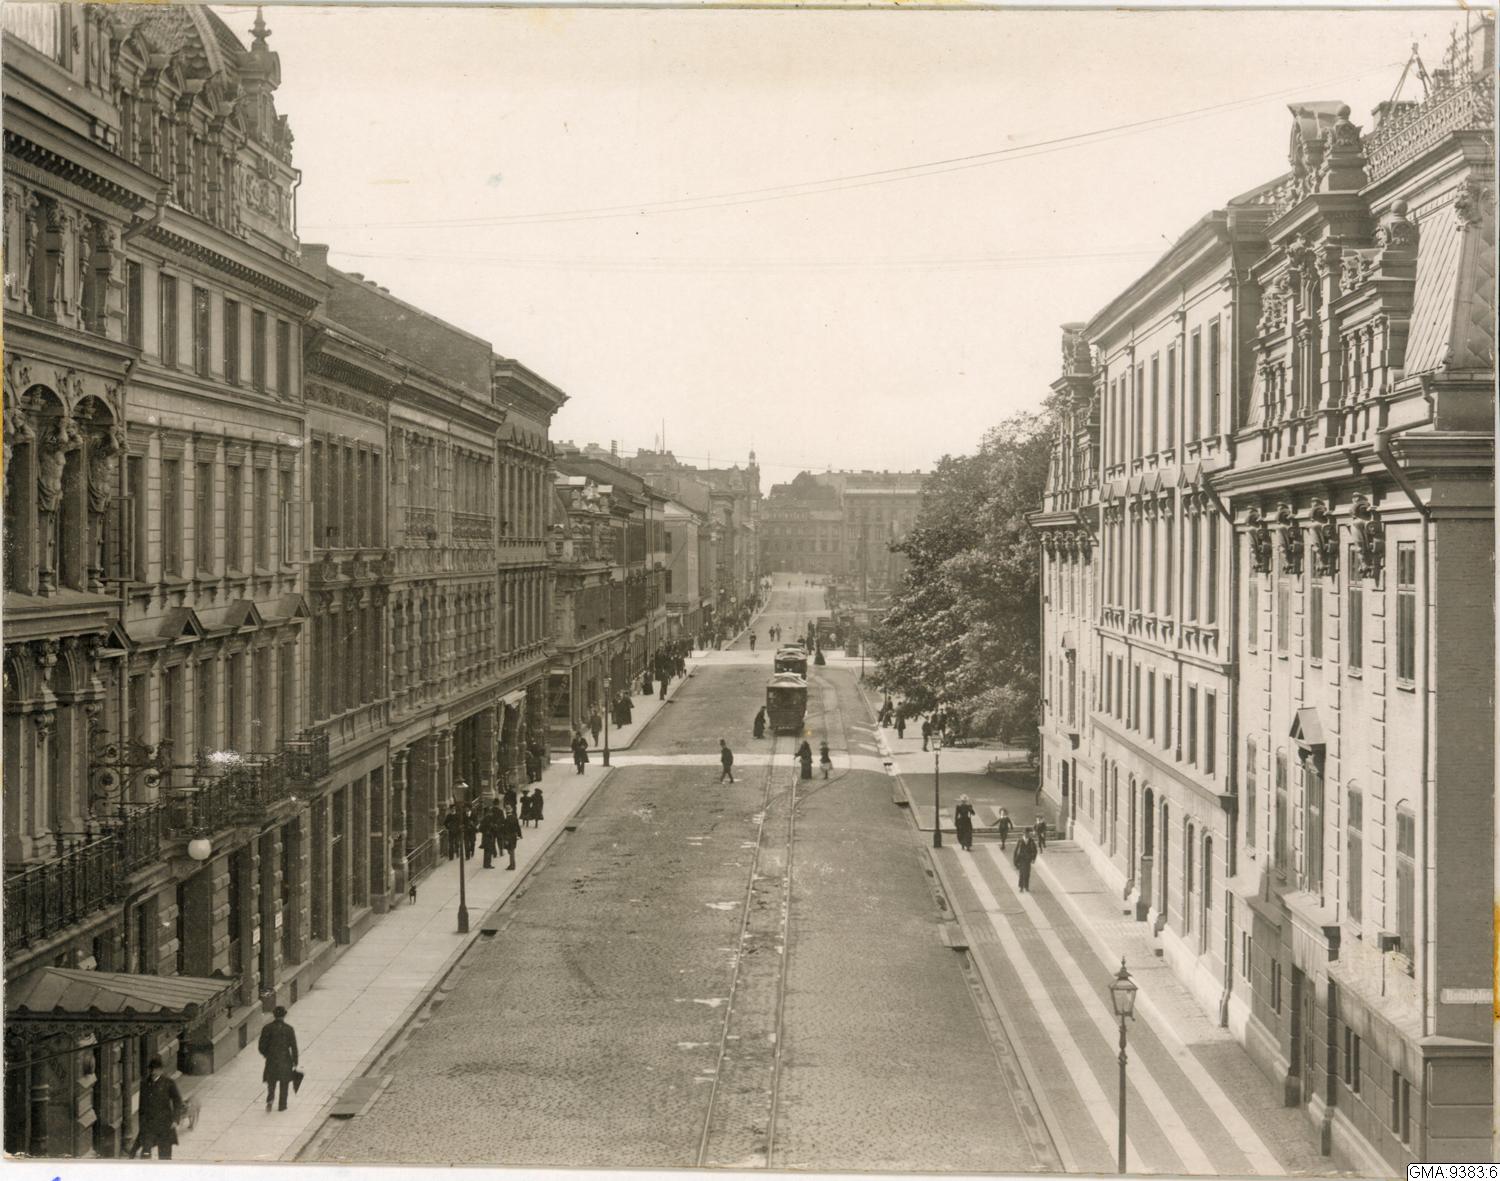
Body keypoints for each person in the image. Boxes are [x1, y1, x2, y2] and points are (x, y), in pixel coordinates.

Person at [133, 1056, 183, 1158]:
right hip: (149, 1125)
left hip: (165, 1124)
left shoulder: (168, 1083)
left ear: (161, 1070)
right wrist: (142, 1125)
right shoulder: (144, 1084)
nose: (153, 1072)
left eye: (156, 1069)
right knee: (145, 1154)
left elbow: (177, 1101)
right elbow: (142, 1106)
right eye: (151, 1069)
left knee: (165, 1155)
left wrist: (175, 1119)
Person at [258, 1006, 299, 1112]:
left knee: (271, 1081)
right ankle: (282, 1105)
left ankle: (270, 1098)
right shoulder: (289, 1029)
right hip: (285, 1060)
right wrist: (295, 1061)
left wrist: (267, 1054)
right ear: (284, 1015)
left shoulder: (267, 1028)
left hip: (272, 1059)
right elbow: (294, 1047)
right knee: (284, 1083)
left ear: (274, 1015)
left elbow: (261, 1046)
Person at [501, 804, 523, 870]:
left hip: (509, 837)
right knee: (511, 850)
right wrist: (520, 835)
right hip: (514, 836)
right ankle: (512, 864)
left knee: (511, 851)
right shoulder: (515, 817)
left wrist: (505, 839)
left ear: (506, 812)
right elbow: (518, 827)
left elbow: (506, 830)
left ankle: (512, 865)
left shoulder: (507, 820)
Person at [480, 803, 500, 868]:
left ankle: (485, 864)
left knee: (486, 851)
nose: (491, 813)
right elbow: (492, 827)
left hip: (485, 837)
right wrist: (493, 827)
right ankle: (487, 864)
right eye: (489, 811)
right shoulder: (488, 819)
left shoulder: (484, 819)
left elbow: (480, 828)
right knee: (489, 850)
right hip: (489, 837)